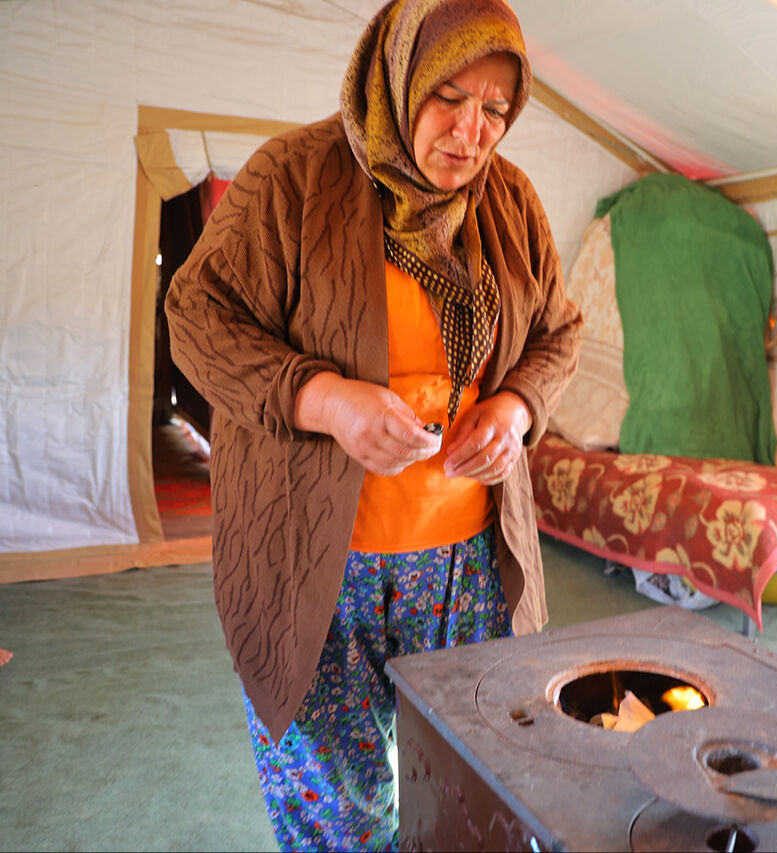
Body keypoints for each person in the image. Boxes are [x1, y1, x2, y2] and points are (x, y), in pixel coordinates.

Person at [164, 0, 581, 849]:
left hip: (465, 566)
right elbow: (197, 318)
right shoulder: (294, 177)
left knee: (473, 784)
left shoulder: (510, 201)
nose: (472, 133)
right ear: (399, 77)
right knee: (337, 808)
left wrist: (513, 406)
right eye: (449, 97)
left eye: (496, 110)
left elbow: (558, 331)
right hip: (321, 563)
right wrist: (323, 398)